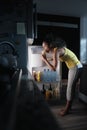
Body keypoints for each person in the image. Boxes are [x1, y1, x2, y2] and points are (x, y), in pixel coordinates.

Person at [41, 36, 83, 116]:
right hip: (73, 67)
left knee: (70, 88)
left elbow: (53, 69)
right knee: (71, 87)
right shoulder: (55, 50)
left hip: (76, 67)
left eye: (44, 46)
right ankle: (69, 107)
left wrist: (45, 60)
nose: (43, 48)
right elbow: (55, 60)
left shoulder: (57, 51)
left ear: (50, 45)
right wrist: (47, 59)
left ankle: (67, 109)